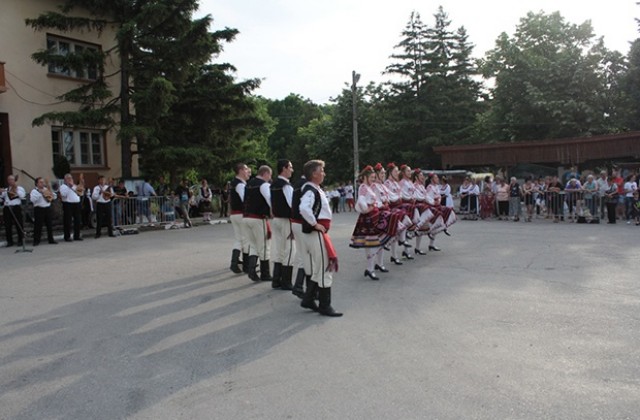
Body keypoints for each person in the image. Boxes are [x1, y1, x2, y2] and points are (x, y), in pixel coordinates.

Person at [299, 160, 342, 317]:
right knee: (324, 268)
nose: (324, 173)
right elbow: (303, 208)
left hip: (318, 233)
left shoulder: (314, 188)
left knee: (318, 269)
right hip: (316, 234)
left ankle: (308, 299)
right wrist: (315, 224)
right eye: (321, 170)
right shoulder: (310, 189)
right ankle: (325, 305)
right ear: (314, 173)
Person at [350, 165, 394, 280]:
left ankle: (374, 267)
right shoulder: (363, 187)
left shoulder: (369, 187)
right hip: (368, 217)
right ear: (365, 177)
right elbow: (361, 202)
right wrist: (368, 208)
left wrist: (376, 205)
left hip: (374, 215)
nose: (373, 180)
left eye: (374, 177)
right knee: (372, 244)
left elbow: (374, 201)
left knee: (377, 242)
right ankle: (370, 269)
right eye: (372, 177)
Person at [244, 165, 273, 282]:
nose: (270, 178)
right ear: (265, 173)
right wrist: (274, 211)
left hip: (246, 217)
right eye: (270, 175)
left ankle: (251, 270)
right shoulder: (264, 185)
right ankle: (265, 273)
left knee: (253, 244)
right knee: (264, 246)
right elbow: (270, 199)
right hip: (258, 218)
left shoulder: (248, 184)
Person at [270, 159, 295, 290]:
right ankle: (286, 281)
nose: (292, 170)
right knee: (290, 249)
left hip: (276, 219)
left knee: (279, 249)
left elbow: (271, 202)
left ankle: (276, 279)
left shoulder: (273, 184)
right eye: (290, 167)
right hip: (286, 220)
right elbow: (292, 205)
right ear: (284, 168)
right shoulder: (286, 186)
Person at [229, 163, 251, 274]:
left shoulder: (234, 183)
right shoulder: (240, 185)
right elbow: (245, 200)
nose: (248, 171)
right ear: (241, 170)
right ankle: (247, 265)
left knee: (239, 239)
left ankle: (234, 262)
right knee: (246, 239)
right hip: (241, 214)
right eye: (246, 169)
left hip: (234, 214)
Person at [289, 174, 309, 298]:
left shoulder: (296, 184)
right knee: (307, 257)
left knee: (303, 255)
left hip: (295, 222)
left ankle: (299, 285)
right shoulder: (306, 186)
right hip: (302, 223)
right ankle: (300, 286)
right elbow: (306, 208)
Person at [30, 177, 57, 245]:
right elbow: (33, 200)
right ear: (37, 183)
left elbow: (54, 197)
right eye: (40, 182)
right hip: (39, 209)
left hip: (47, 208)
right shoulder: (34, 191)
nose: (42, 183)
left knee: (49, 225)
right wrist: (40, 193)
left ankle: (51, 239)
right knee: (38, 225)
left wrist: (49, 191)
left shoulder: (46, 189)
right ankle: (36, 240)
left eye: (43, 182)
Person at [2, 174, 26, 247]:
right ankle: (10, 241)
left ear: (14, 180)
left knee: (19, 224)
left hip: (16, 208)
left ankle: (20, 241)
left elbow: (22, 196)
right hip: (7, 208)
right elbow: (2, 198)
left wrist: (16, 190)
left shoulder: (19, 188)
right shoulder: (6, 189)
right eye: (9, 180)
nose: (10, 181)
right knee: (7, 225)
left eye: (12, 180)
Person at [59, 173, 83, 241]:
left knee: (77, 220)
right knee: (68, 221)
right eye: (68, 178)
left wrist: (73, 186)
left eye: (71, 178)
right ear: (65, 180)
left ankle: (77, 236)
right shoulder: (63, 186)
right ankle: (67, 236)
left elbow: (80, 193)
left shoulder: (74, 186)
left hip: (76, 204)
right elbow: (64, 195)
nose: (70, 180)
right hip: (68, 204)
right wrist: (69, 187)